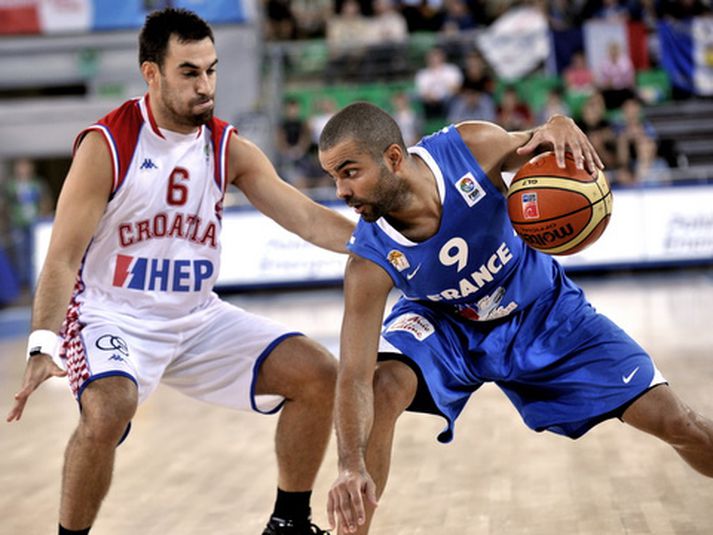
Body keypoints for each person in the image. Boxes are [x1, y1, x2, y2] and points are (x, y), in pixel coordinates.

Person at [6, 9, 354, 535]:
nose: (206, 86)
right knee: (109, 410)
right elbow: (61, 257)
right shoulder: (109, 145)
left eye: (211, 70)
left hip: (195, 317)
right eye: (190, 72)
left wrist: (387, 245)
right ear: (152, 73)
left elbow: (304, 216)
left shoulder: (226, 146)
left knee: (318, 374)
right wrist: (42, 342)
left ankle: (289, 525)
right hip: (111, 315)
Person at [317, 102, 713, 534]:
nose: (340, 191)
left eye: (349, 172)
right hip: (446, 324)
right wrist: (348, 464)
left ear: (393, 158)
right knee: (382, 384)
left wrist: (560, 122)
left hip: (543, 310)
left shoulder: (470, 147)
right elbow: (352, 375)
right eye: (333, 177)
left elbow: (542, 138)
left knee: (677, 422)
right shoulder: (368, 261)